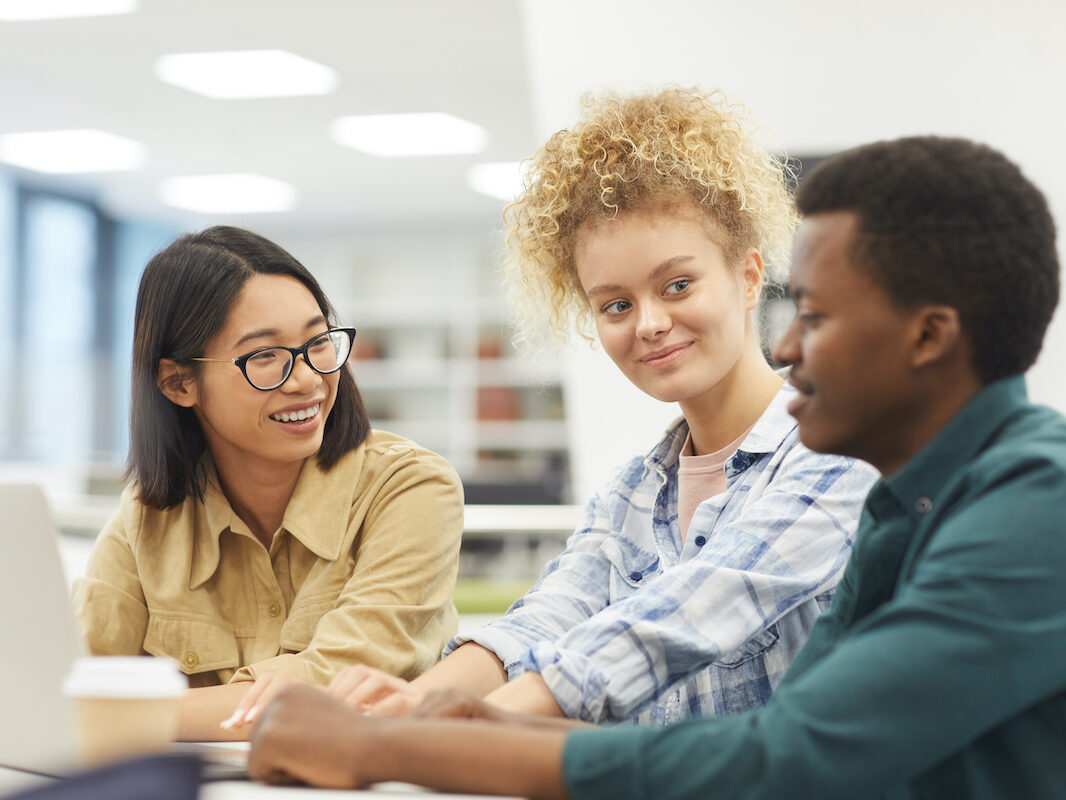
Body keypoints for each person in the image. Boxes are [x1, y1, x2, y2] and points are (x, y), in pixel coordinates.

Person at [247, 135, 1066, 798]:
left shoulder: (1040, 507)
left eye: (818, 315)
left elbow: (784, 756)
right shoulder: (910, 504)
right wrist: (446, 719)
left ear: (928, 336)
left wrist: (403, 745)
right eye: (615, 304)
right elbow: (753, 737)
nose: (791, 344)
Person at [315, 87, 877, 727]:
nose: (650, 323)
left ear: (749, 278)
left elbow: (699, 607)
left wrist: (474, 724)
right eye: (616, 304)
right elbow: (547, 616)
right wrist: (417, 703)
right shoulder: (633, 495)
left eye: (677, 285)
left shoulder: (839, 453)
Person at [72, 226, 464, 741]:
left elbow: (335, 688)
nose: (306, 380)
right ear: (178, 383)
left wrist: (120, 717)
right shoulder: (149, 516)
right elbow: (74, 672)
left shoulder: (410, 488)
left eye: (318, 342)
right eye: (264, 356)